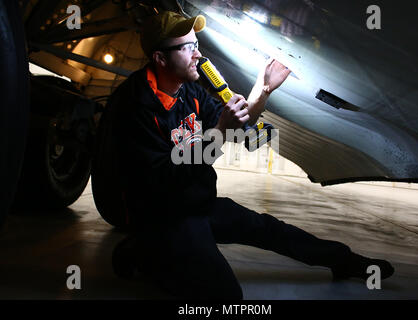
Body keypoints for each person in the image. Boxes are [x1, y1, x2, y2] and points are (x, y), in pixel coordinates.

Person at [105, 11, 394, 299]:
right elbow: (165, 177)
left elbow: (235, 126)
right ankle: (144, 252)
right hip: (163, 217)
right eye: (188, 47)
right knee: (225, 296)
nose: (198, 54)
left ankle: (343, 261)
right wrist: (219, 131)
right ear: (160, 58)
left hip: (197, 204)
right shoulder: (134, 106)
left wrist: (263, 90)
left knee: (268, 229)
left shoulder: (189, 88)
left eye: (197, 44)